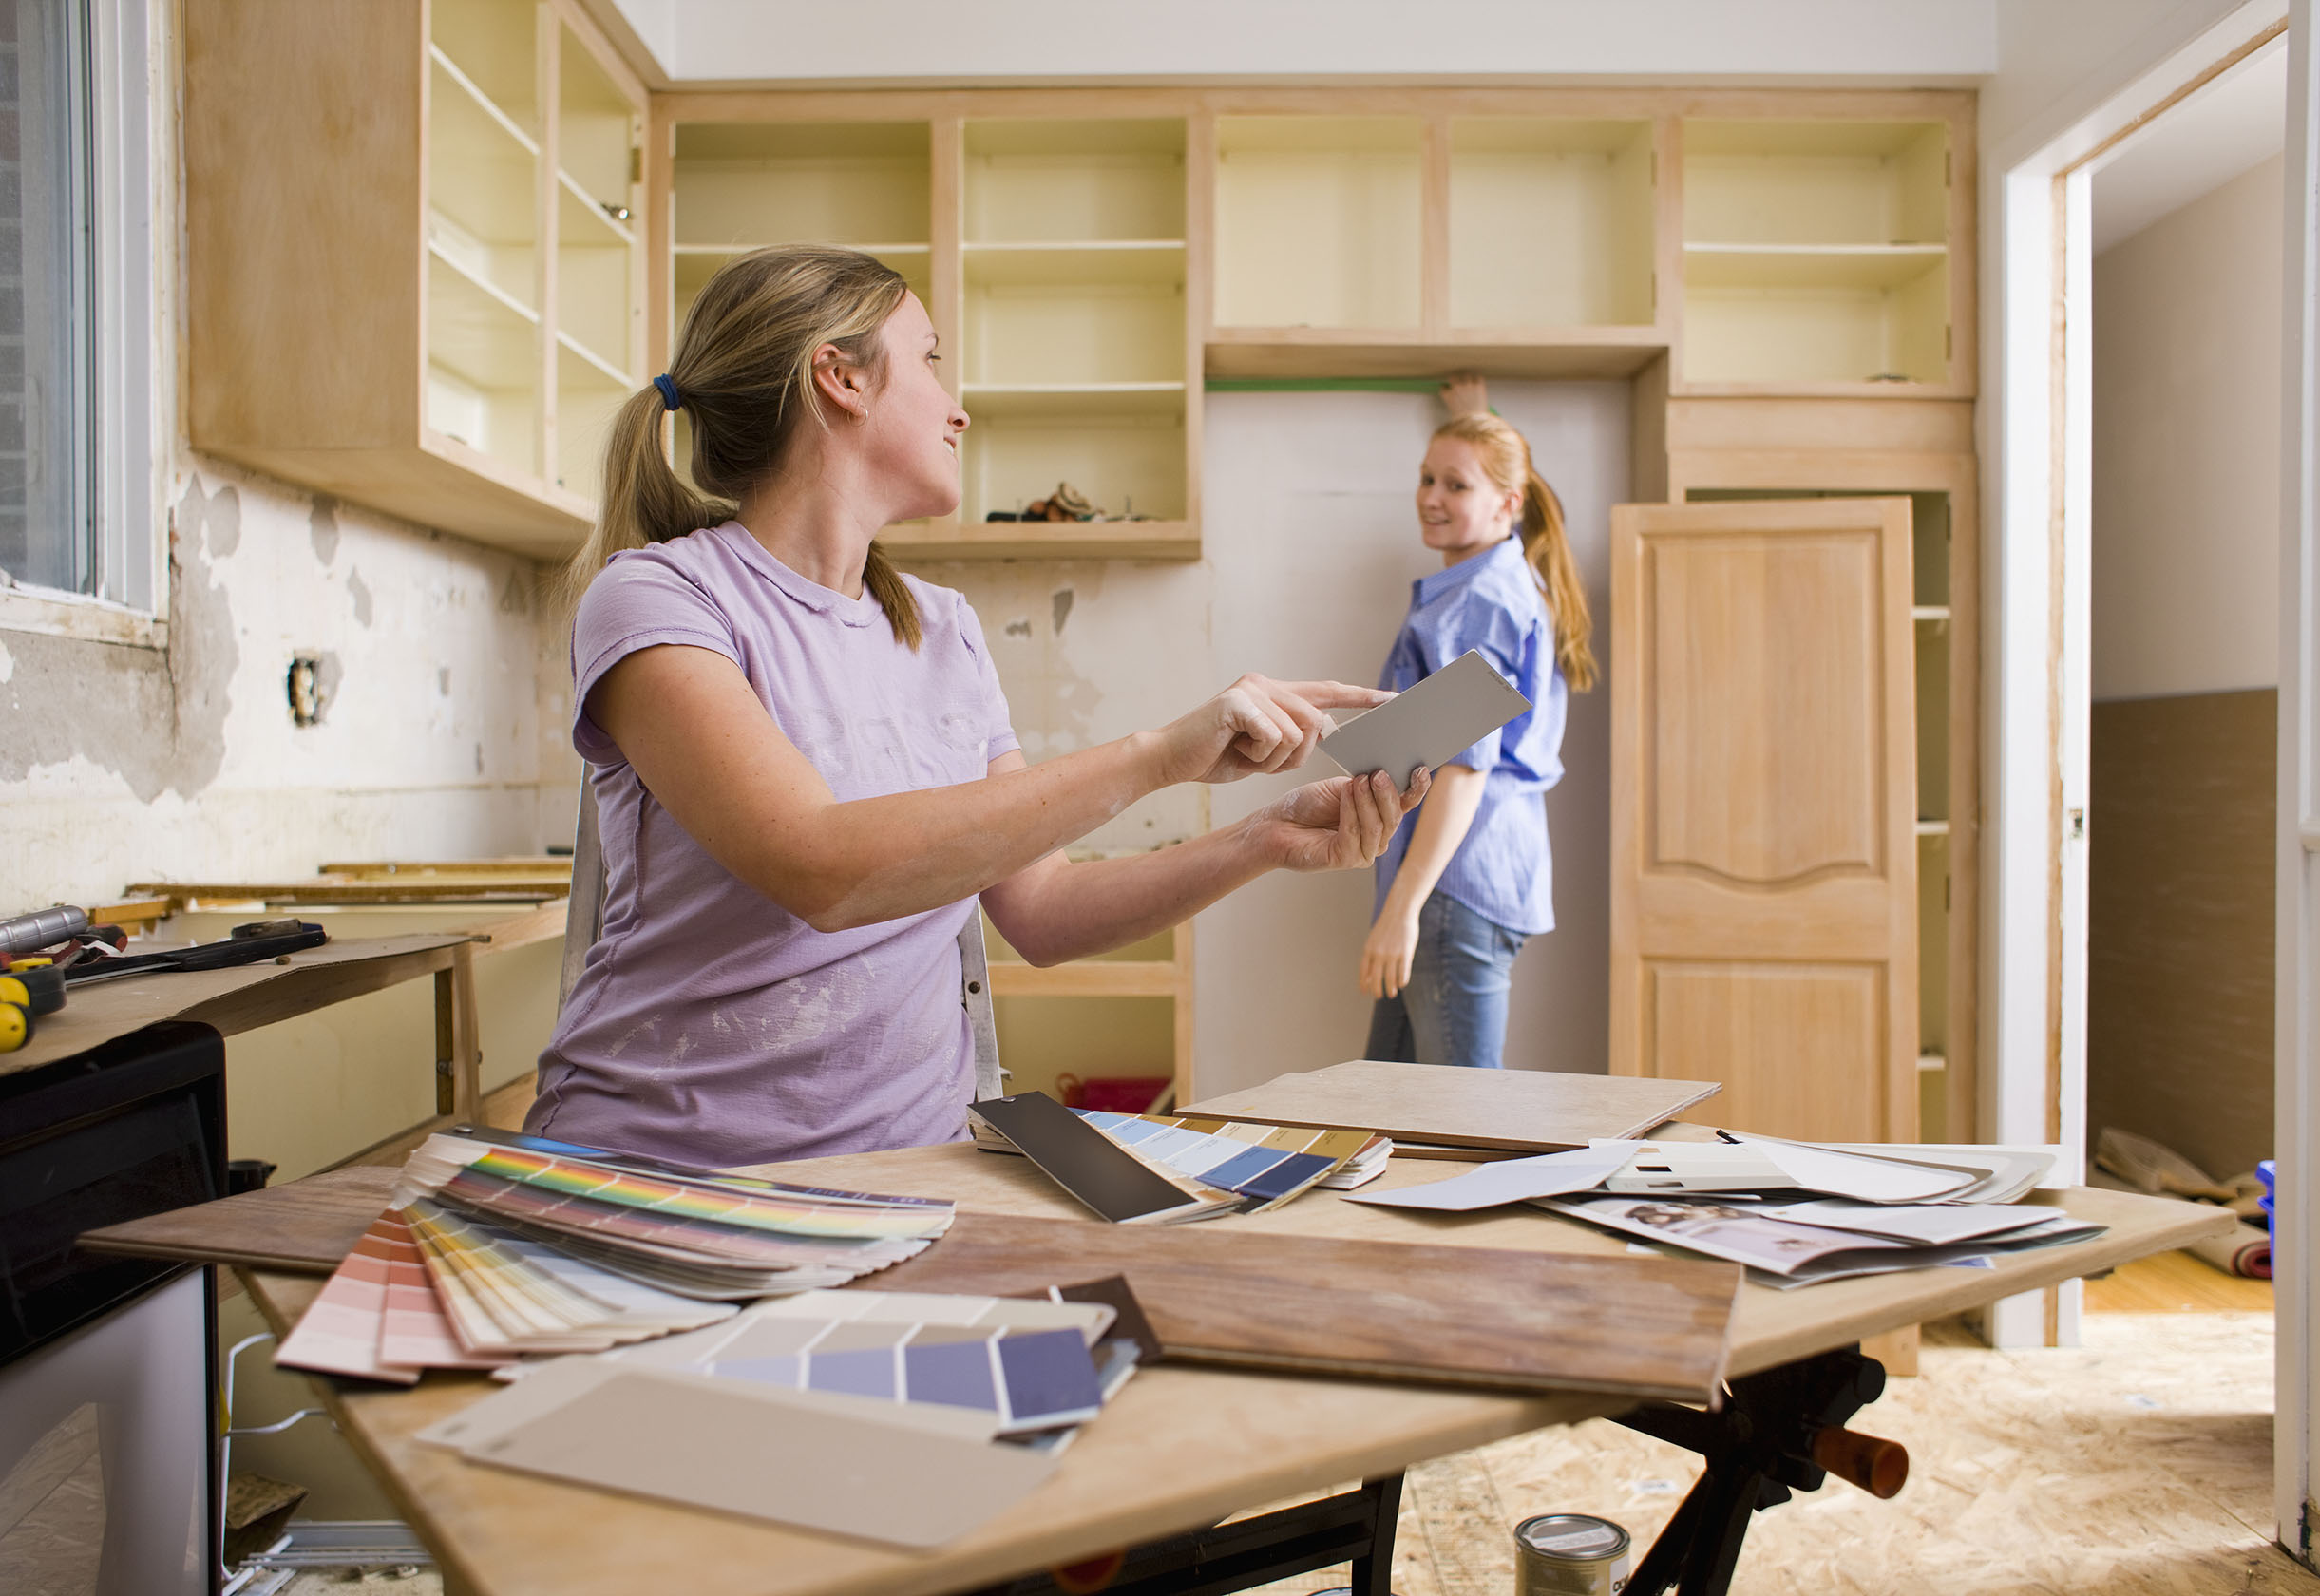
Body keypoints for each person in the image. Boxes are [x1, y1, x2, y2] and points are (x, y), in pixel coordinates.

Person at [527, 244, 1426, 1168]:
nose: (957, 405)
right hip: (662, 1173)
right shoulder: (659, 599)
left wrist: (1266, 836)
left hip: (910, 1172)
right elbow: (821, 871)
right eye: (927, 357)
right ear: (838, 378)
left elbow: (1042, 907)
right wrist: (1161, 754)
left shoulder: (941, 629)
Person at [1357, 377, 1598, 1070]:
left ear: (1508, 504)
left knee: (1465, 1127)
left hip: (1448, 892)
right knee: (1386, 1109)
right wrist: (1478, 422)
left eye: (1455, 486)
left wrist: (1403, 908)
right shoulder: (1509, 579)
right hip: (1467, 885)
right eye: (1427, 478)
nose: (1431, 497)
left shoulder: (1481, 601)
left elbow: (1464, 766)